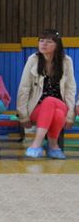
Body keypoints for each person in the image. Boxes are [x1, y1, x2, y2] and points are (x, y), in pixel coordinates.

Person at [16, 29, 76, 159]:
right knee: (56, 113)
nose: (43, 44)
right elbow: (23, 88)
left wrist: (71, 115)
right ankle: (53, 146)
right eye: (41, 41)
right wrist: (23, 115)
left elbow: (71, 89)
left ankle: (36, 144)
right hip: (36, 107)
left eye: (48, 42)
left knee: (50, 101)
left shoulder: (66, 61)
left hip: (61, 104)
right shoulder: (33, 60)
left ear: (57, 45)